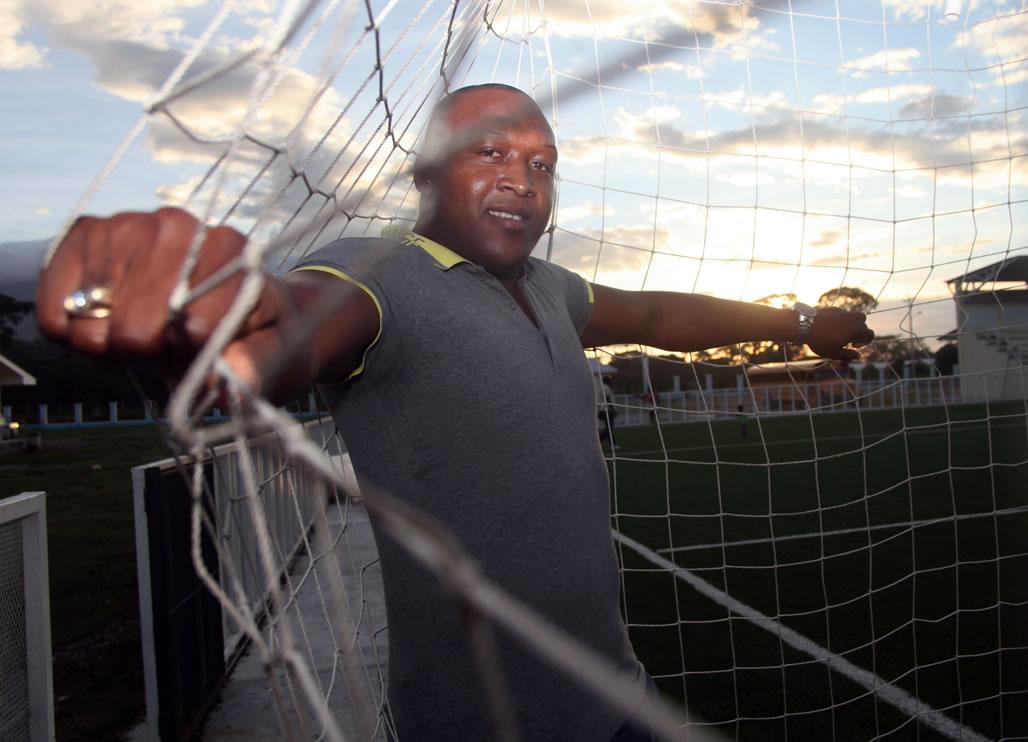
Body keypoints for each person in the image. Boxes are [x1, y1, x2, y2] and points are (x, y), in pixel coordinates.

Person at [36, 83, 874, 740]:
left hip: (619, 698)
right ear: (426, 172)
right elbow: (296, 320)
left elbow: (659, 316)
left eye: (543, 162)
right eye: (490, 151)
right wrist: (216, 322)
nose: (523, 177)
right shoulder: (372, 275)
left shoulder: (551, 288)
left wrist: (799, 322)